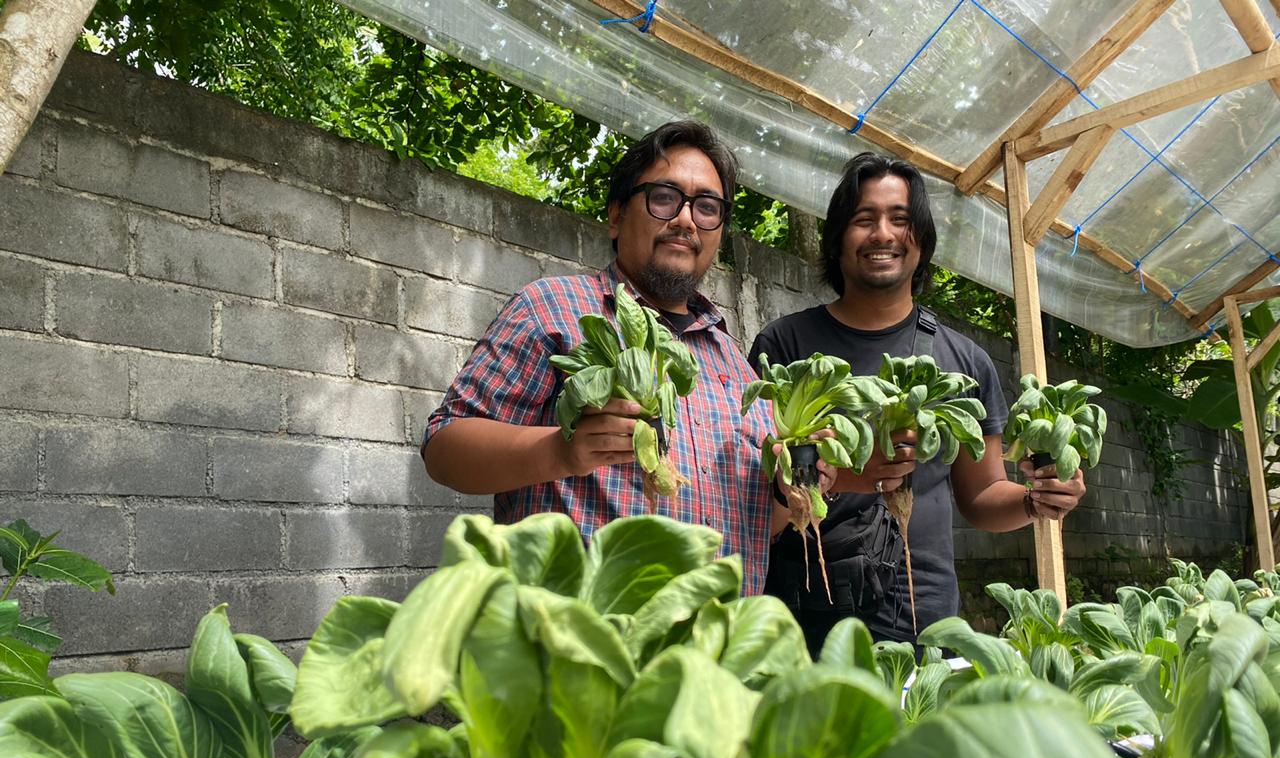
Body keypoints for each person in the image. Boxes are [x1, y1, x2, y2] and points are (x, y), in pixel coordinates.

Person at [422, 120, 813, 594]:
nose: (687, 220)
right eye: (665, 197)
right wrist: (560, 452)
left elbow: (753, 524)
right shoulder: (552, 308)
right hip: (579, 649)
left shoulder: (733, 361)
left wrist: (787, 494)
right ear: (615, 215)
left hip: (712, 653)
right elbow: (445, 449)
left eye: (707, 207)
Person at [750, 152, 1086, 652]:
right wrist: (855, 476)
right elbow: (763, 490)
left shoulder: (965, 361)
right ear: (838, 237)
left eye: (900, 220)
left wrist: (1035, 501)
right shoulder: (785, 347)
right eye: (864, 219)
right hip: (805, 620)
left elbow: (982, 496)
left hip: (923, 620)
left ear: (922, 241)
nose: (883, 234)